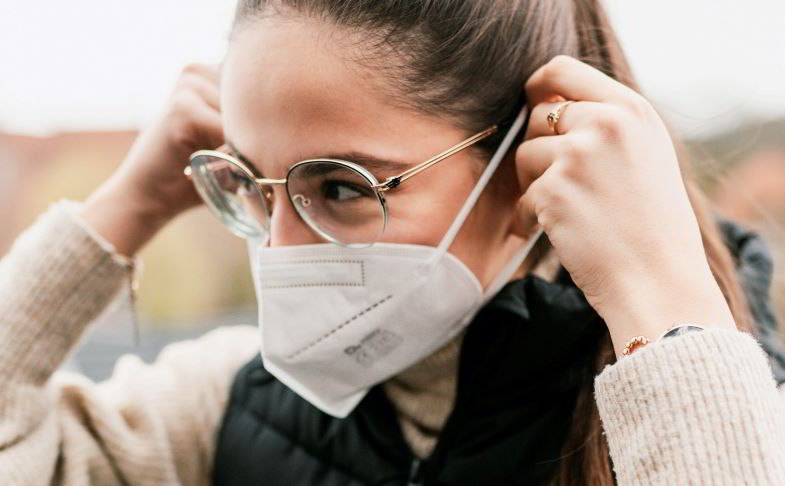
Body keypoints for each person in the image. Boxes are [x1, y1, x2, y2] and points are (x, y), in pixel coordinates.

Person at [2, 0, 785, 484]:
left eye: (341, 188)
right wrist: (125, 206)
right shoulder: (237, 408)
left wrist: (664, 301)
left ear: (522, 172)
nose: (277, 252)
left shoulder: (738, 414)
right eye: (249, 182)